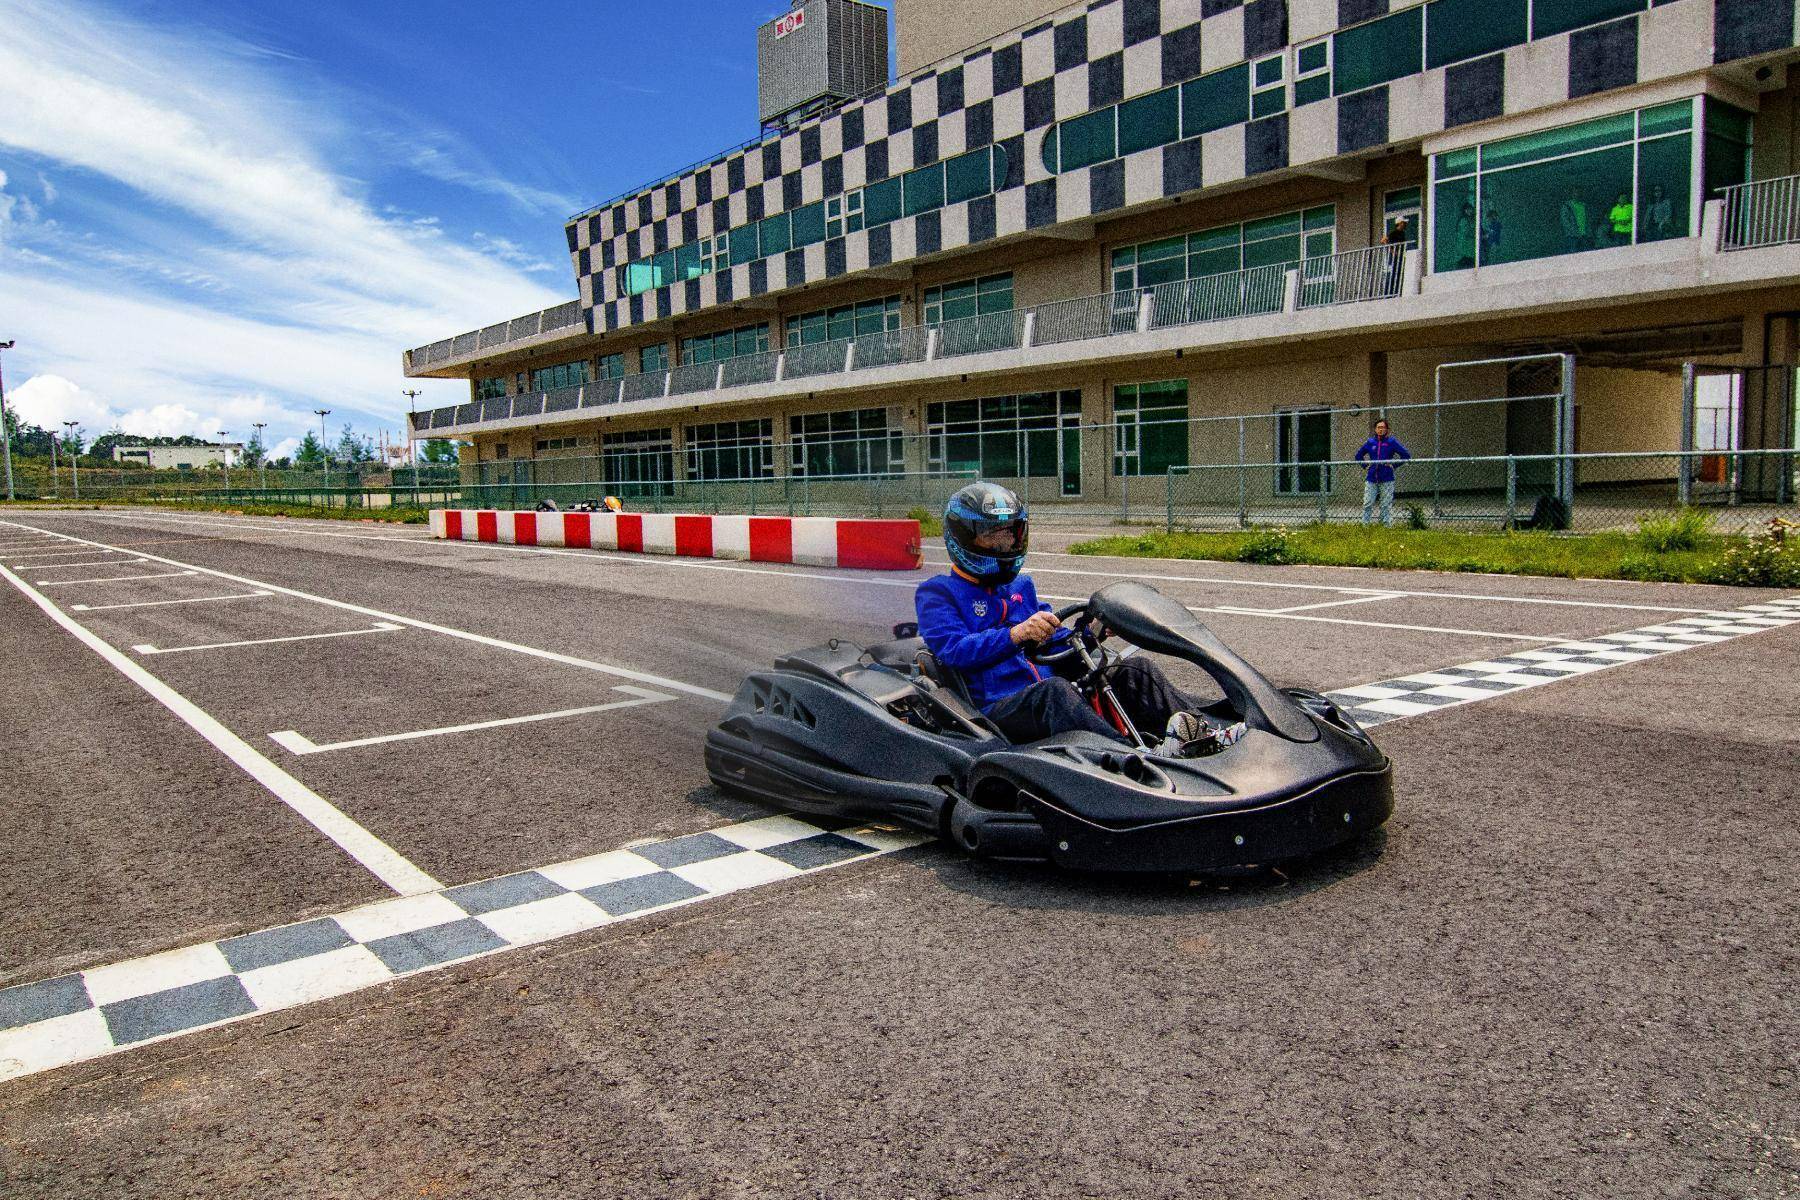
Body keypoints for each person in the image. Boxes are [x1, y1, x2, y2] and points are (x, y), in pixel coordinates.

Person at [914, 482, 1232, 755]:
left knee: (1133, 669)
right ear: (962, 536)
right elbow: (953, 651)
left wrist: (1091, 632)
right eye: (992, 536)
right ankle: (1134, 758)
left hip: (1047, 691)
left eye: (1009, 534)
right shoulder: (939, 593)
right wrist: (1016, 635)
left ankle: (1205, 735)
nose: (1005, 544)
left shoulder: (1021, 586)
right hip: (996, 709)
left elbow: (1053, 648)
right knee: (1055, 692)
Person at [1355, 419, 1412, 526]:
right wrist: (1365, 465)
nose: (1381, 430)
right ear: (1375, 429)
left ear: (1387, 430)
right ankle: (1365, 525)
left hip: (1387, 478)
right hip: (1371, 478)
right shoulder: (1370, 442)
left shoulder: (1392, 442)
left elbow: (1406, 456)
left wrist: (1393, 465)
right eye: (1379, 427)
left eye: (1383, 427)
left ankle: (1386, 526)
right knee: (1367, 503)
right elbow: (1358, 456)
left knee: (1385, 504)